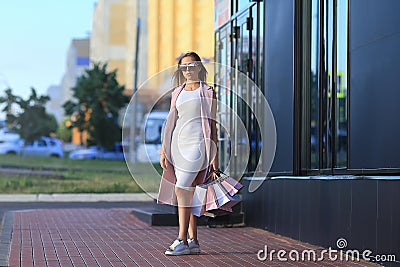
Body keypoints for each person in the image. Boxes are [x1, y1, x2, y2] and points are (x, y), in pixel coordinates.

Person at [157, 52, 218, 255]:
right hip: (178, 147)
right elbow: (170, 122)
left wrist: (215, 158)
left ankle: (181, 239)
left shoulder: (208, 91)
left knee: (182, 189)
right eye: (184, 67)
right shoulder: (177, 92)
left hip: (198, 146)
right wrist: (165, 150)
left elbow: (213, 125)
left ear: (199, 67)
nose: (188, 70)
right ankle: (194, 241)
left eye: (192, 65)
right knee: (189, 192)